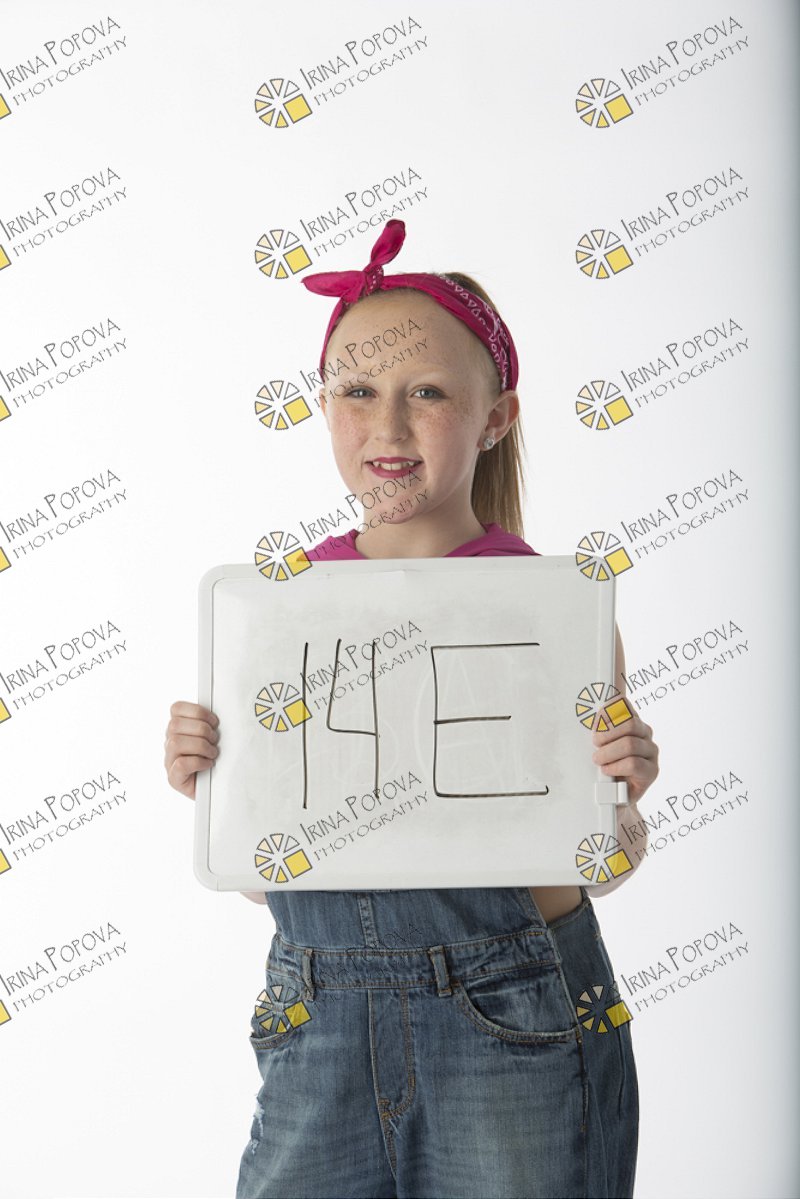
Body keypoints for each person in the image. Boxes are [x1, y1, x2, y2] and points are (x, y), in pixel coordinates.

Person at [164, 218, 660, 1199]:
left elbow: (600, 862)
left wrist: (623, 798)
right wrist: (218, 789)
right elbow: (277, 880)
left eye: (426, 392)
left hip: (514, 1008)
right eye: (356, 392)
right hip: (318, 1001)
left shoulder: (552, 610)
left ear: (496, 416)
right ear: (324, 408)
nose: (386, 426)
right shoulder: (275, 610)